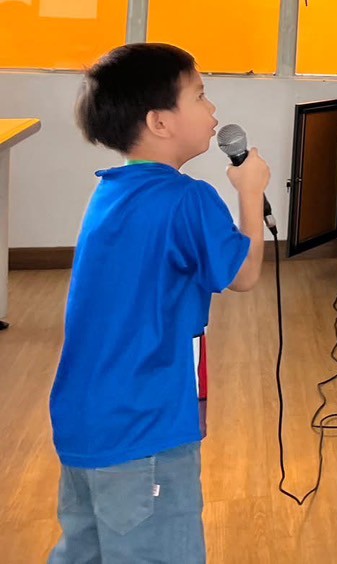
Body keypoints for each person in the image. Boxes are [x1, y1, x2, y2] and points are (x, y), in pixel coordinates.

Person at [48, 43, 269, 563]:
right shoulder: (187, 198)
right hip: (144, 430)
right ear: (160, 122)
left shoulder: (110, 192)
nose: (213, 109)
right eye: (200, 95)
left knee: (86, 551)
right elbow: (244, 274)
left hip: (85, 422)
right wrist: (250, 192)